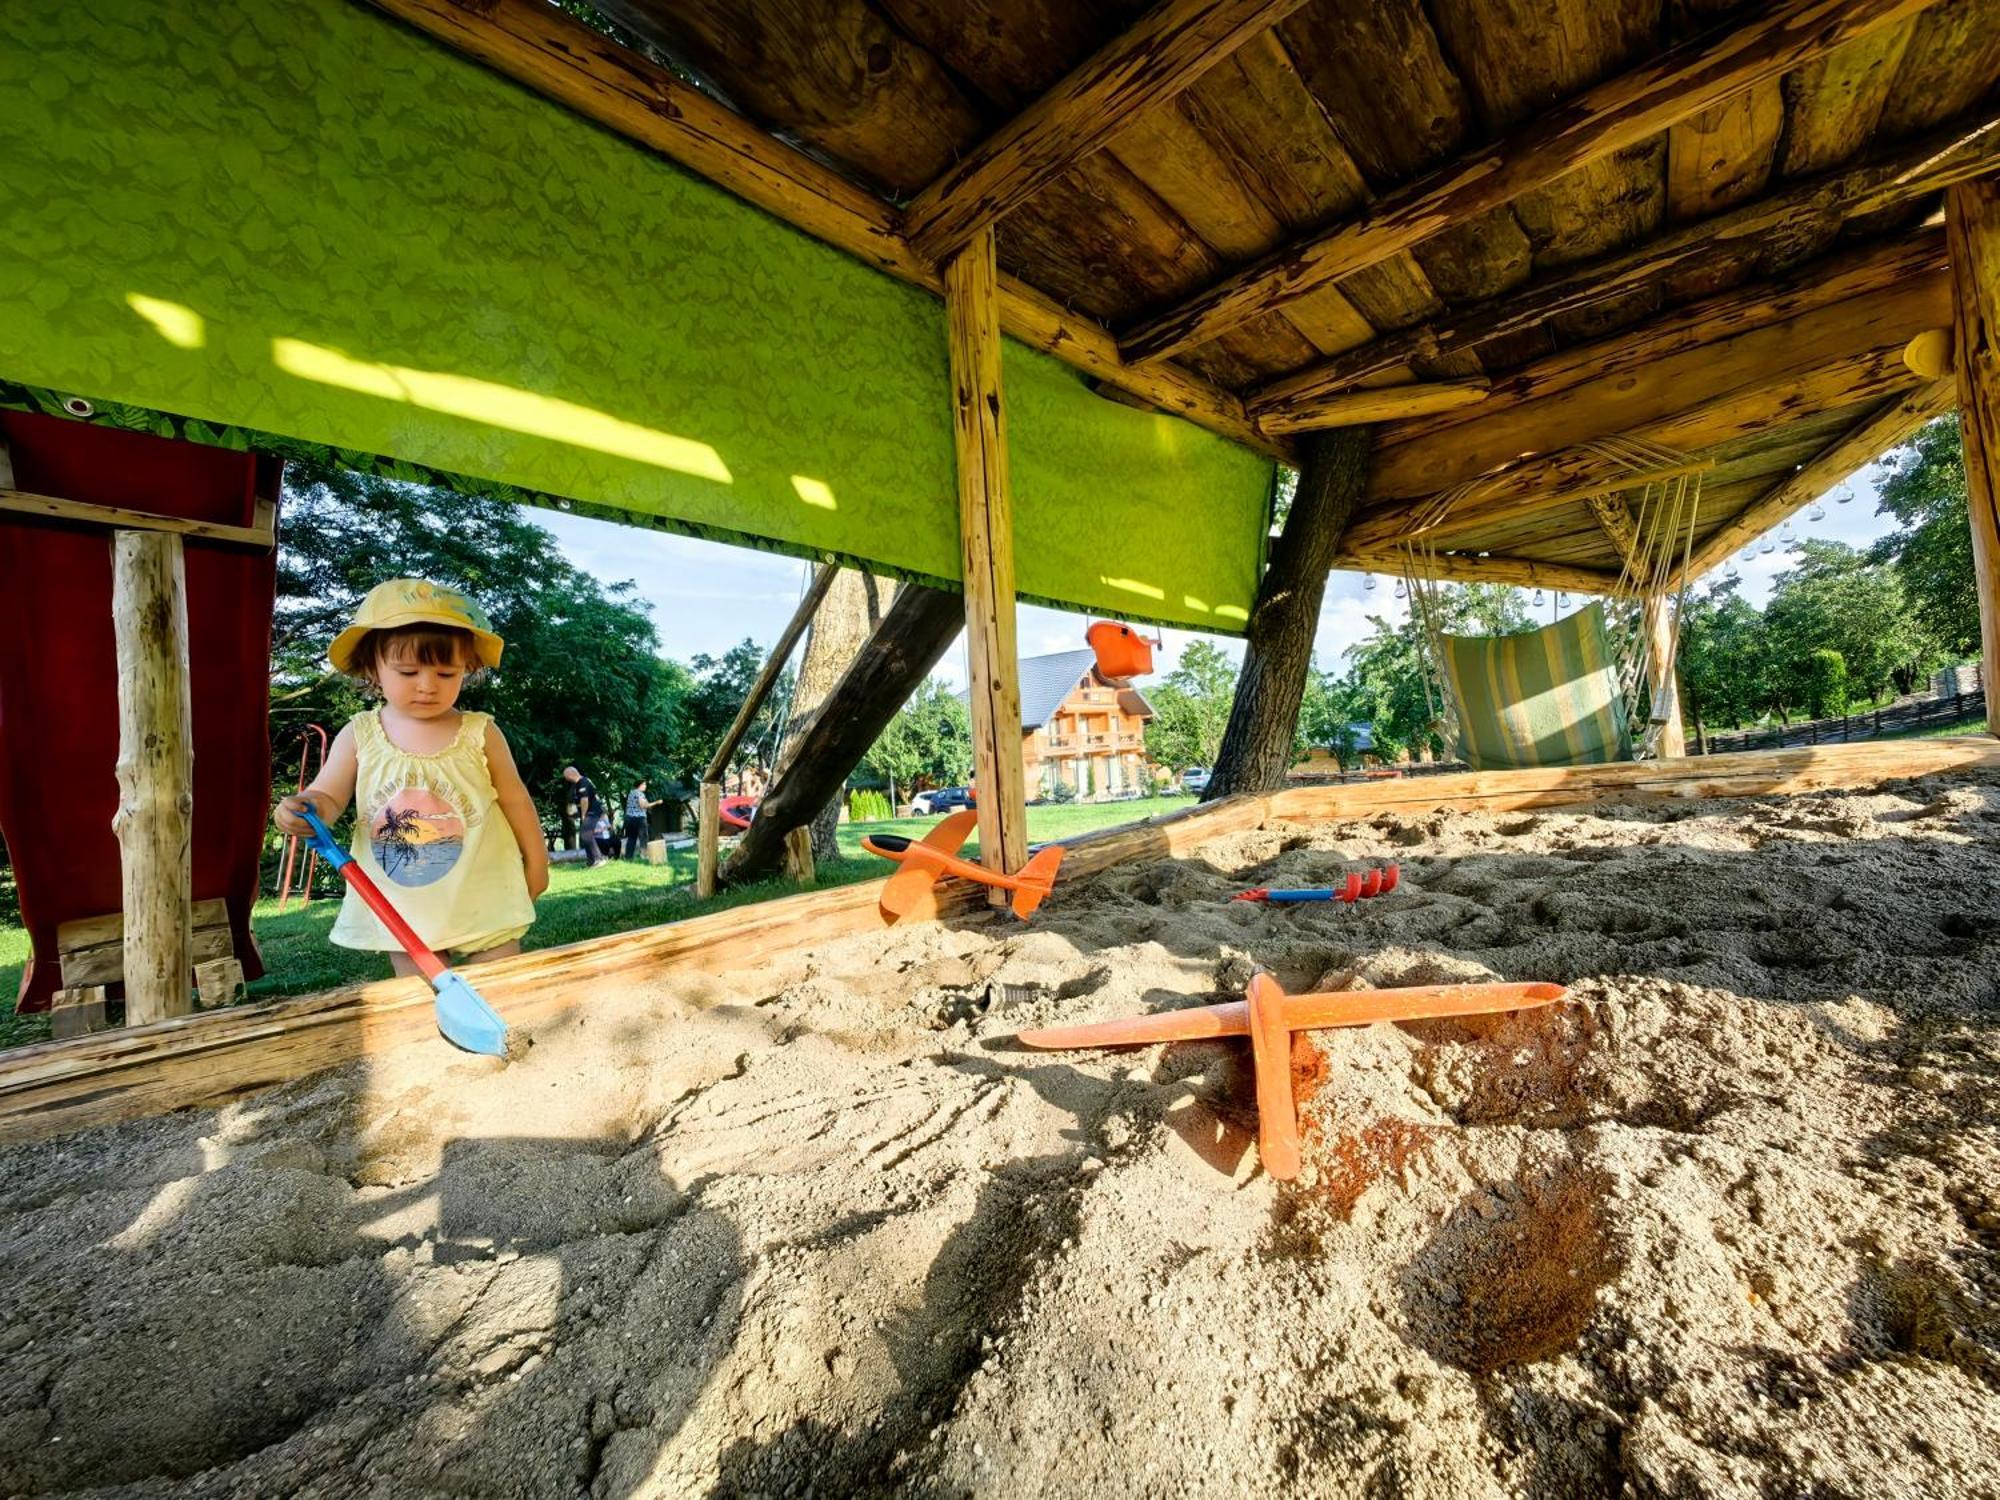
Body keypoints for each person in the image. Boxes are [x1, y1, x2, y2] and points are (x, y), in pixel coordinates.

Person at [273, 579, 547, 975]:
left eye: (446, 673)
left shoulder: (481, 732)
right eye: (407, 671)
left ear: (466, 669)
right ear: (373, 668)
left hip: (485, 892)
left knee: (504, 987)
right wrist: (307, 809)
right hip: (402, 904)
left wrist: (536, 861)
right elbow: (328, 796)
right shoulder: (360, 734)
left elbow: (515, 798)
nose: (427, 685)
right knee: (421, 1000)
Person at [564, 764, 609, 868]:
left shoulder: (583, 782)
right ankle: (591, 861)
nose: (565, 778)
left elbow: (585, 800)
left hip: (592, 812)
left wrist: (583, 815)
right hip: (590, 812)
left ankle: (599, 859)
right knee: (584, 836)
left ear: (570, 774)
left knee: (586, 835)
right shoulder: (579, 784)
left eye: (566, 776)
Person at [623, 779, 662, 859]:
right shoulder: (640, 794)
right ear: (640, 785)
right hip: (639, 818)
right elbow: (643, 805)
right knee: (643, 837)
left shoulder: (631, 793)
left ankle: (628, 857)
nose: (645, 786)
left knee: (631, 838)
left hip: (629, 818)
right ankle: (643, 855)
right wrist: (656, 802)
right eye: (644, 784)